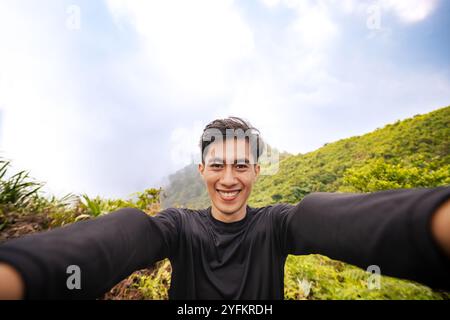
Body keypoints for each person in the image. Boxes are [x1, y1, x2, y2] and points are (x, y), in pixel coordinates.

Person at [0, 117, 449, 300]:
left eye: (240, 166)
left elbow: (321, 218)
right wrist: (23, 273)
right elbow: (125, 234)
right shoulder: (178, 225)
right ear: (201, 170)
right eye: (218, 165)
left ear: (256, 170)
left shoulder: (276, 224)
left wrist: (431, 227)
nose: (229, 179)